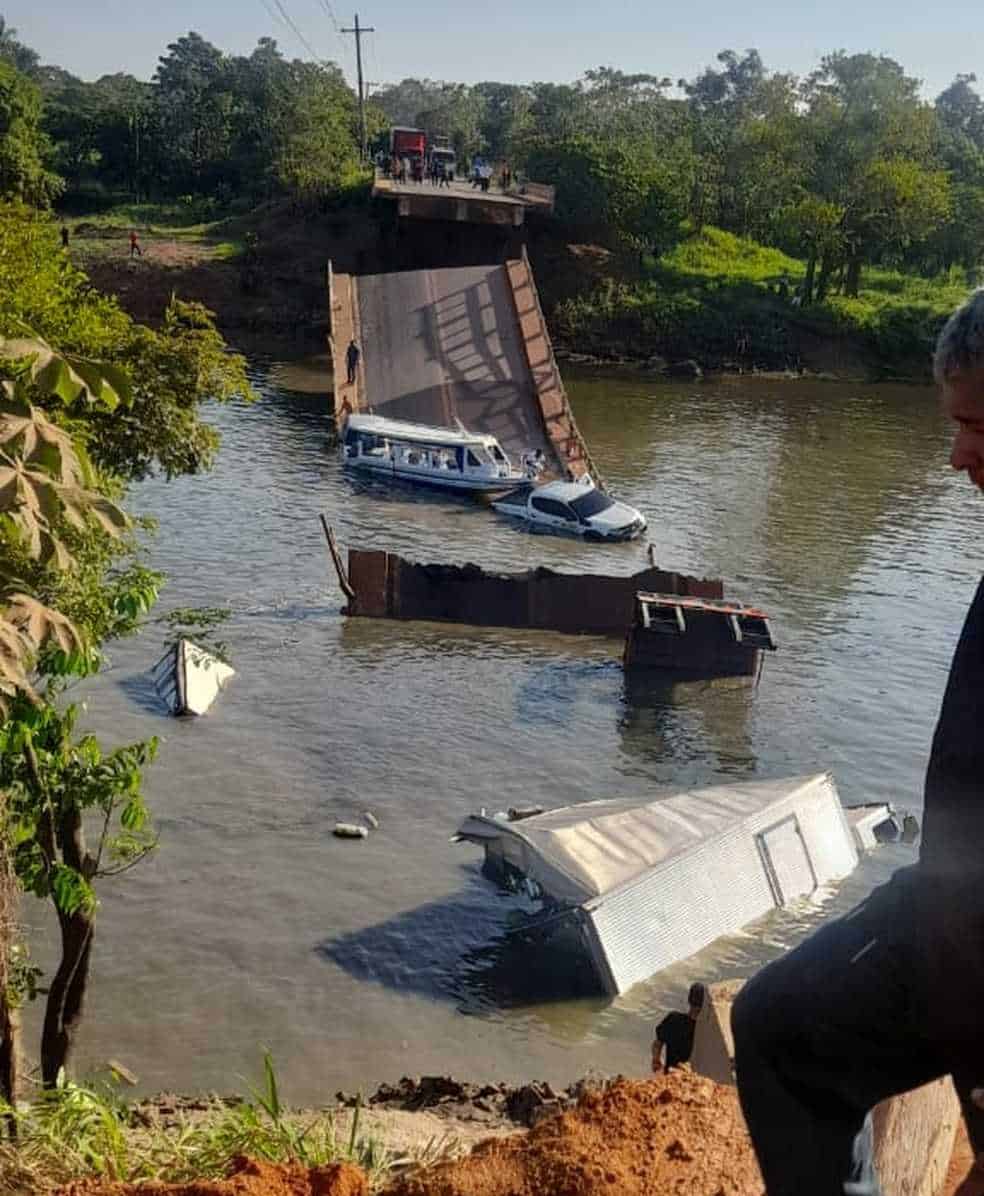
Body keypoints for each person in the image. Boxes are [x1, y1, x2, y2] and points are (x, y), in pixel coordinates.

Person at [731, 287, 984, 1196]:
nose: (956, 457)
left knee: (781, 1037)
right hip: (952, 915)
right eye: (956, 426)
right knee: (777, 1028)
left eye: (979, 429)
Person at [652, 982, 706, 1073]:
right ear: (704, 1004)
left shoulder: (673, 1019)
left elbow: (657, 1044)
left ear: (689, 1000)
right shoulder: (705, 1030)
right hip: (691, 1078)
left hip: (670, 1075)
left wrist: (656, 1059)